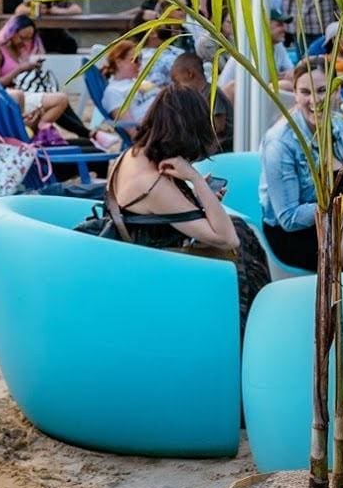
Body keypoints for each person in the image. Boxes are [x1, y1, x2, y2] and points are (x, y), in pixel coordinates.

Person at [97, 85, 270, 325]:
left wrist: (201, 197)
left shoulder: (135, 154)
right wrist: (196, 179)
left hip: (146, 253)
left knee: (241, 227)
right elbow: (228, 239)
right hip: (160, 268)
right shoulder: (153, 183)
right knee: (240, 242)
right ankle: (250, 328)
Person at [260, 64, 343, 273]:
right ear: (295, 95)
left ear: (336, 92)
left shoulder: (340, 125)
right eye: (305, 92)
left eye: (322, 90)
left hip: (339, 226)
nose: (314, 100)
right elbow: (288, 219)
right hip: (297, 238)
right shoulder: (281, 142)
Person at [97, 39, 160, 126]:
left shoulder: (139, 83)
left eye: (141, 59)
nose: (140, 64)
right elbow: (132, 130)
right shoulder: (113, 92)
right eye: (135, 60)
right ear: (119, 62)